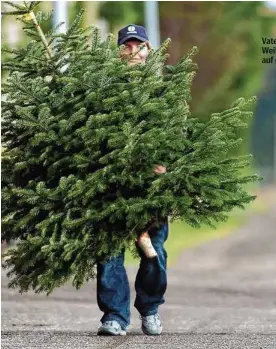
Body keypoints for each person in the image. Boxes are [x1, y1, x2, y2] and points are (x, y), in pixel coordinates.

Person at [97, 24, 168, 337]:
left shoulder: (166, 92)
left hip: (153, 191)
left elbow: (178, 135)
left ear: (149, 50)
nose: (133, 52)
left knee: (155, 252)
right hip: (111, 188)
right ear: (119, 51)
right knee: (109, 251)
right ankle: (114, 316)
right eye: (127, 46)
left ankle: (150, 308)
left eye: (139, 46)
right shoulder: (105, 90)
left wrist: (164, 165)